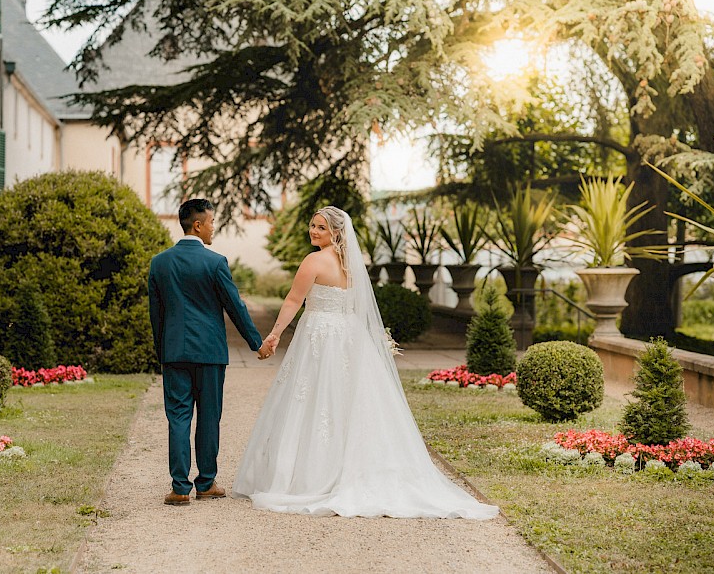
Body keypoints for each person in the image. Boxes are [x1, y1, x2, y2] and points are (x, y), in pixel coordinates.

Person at [232, 206, 498, 519]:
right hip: (350, 335)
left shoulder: (314, 261)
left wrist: (275, 334)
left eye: (320, 227)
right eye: (312, 225)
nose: (313, 231)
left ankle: (310, 475)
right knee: (352, 401)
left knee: (317, 398)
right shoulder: (352, 264)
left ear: (336, 232)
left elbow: (293, 300)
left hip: (320, 335)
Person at [148, 198, 277, 506]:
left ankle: (180, 487)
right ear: (198, 225)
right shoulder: (215, 262)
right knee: (208, 417)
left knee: (178, 417)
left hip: (174, 352)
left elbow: (156, 314)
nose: (213, 228)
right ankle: (206, 483)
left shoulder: (159, 263)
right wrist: (256, 343)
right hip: (209, 353)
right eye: (211, 222)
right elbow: (235, 306)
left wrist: (161, 351)